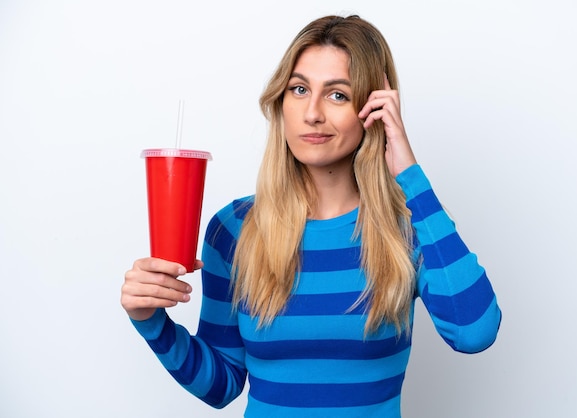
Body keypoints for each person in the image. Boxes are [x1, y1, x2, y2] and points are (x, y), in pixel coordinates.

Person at [121, 14, 501, 417]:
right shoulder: (233, 230)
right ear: (280, 102)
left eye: (338, 95)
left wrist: (408, 174)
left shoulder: (408, 226)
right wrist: (150, 320)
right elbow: (222, 385)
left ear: (372, 110)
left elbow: (474, 331)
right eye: (299, 89)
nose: (312, 113)